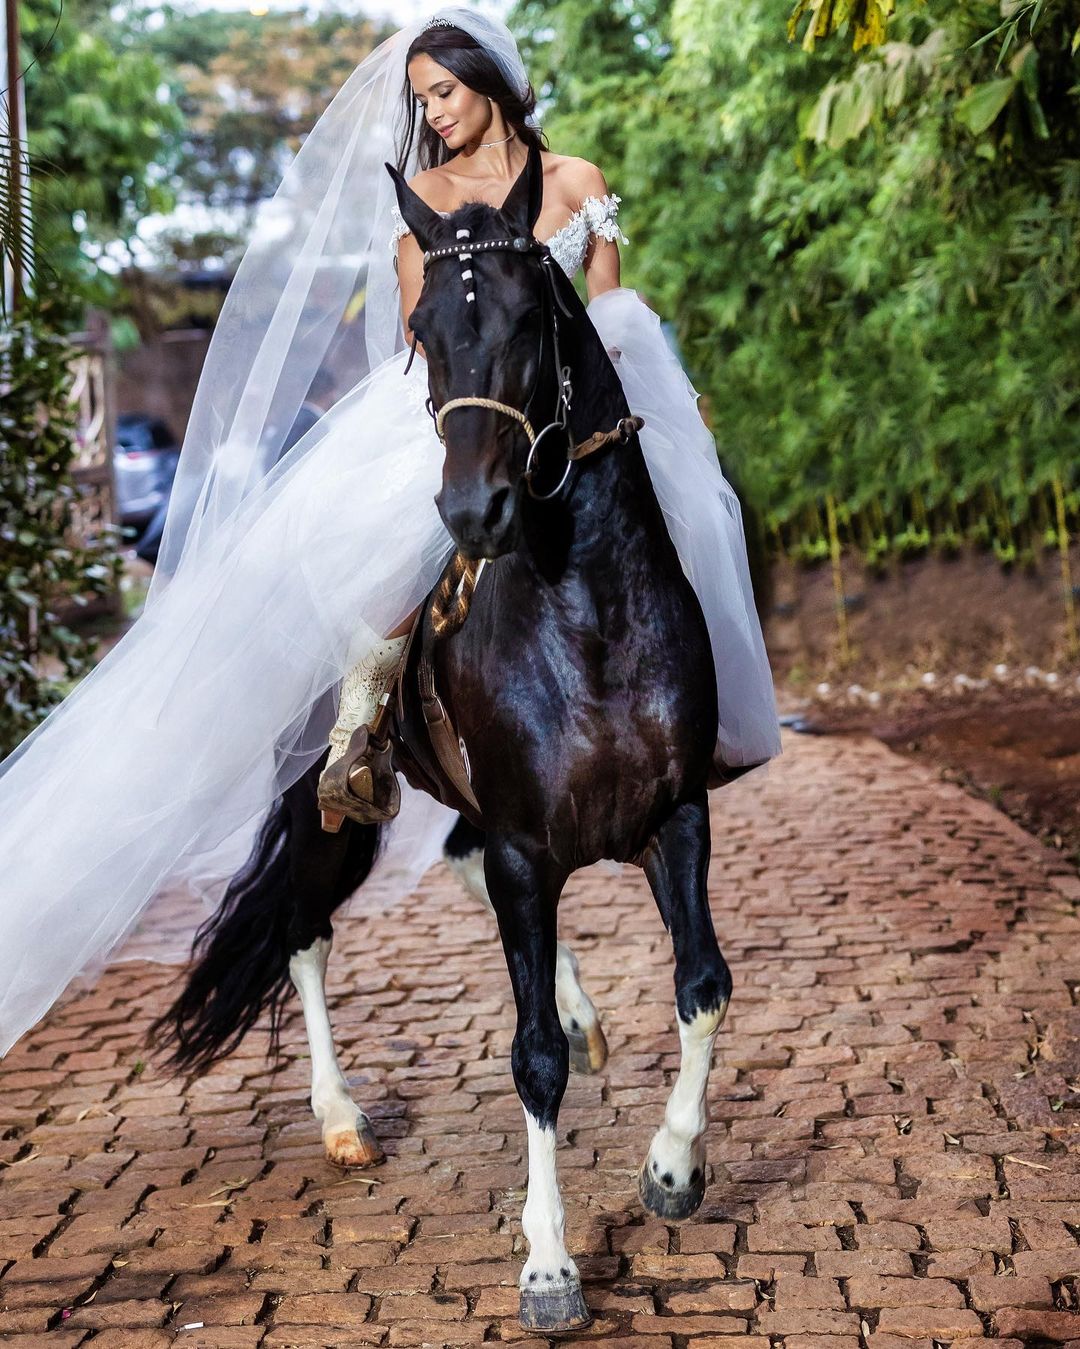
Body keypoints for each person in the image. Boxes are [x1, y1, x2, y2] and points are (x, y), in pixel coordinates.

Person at [0, 7, 781, 1057]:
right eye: (420, 99)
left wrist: (631, 421)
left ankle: (697, 712)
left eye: (444, 92)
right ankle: (361, 731)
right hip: (458, 417)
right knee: (390, 568)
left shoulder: (578, 183)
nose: (434, 114)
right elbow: (431, 358)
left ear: (490, 82)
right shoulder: (425, 213)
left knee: (677, 538)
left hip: (577, 411)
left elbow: (617, 320)